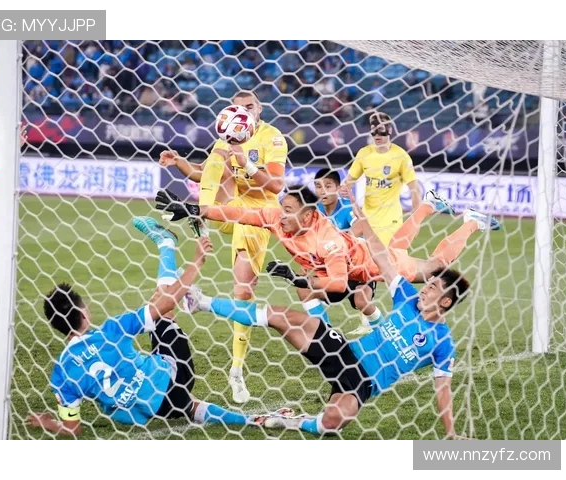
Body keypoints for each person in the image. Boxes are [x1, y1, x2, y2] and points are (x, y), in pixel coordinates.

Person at [180, 197, 478, 439]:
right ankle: (201, 301)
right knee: (281, 316)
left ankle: (289, 420)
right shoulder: (406, 297)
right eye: (428, 284)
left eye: (432, 288)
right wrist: (364, 224)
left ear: (446, 301)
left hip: (362, 383)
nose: (425, 288)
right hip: (344, 353)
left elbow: (443, 388)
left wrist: (451, 433)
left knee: (331, 424)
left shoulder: (442, 342)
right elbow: (383, 259)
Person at [26, 216, 276, 436]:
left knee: (185, 404)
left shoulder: (62, 371)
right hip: (175, 376)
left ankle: (249, 420)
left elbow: (72, 429)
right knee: (162, 307)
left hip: (155, 409)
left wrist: (47, 422)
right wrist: (196, 263)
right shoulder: (111, 331)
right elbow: (165, 303)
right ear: (83, 313)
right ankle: (166, 243)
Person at [155, 184, 498, 334]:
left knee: (434, 267)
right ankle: (429, 204)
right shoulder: (278, 218)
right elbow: (238, 212)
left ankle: (470, 222)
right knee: (398, 244)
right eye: (282, 208)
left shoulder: (327, 240)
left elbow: (337, 283)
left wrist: (297, 278)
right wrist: (193, 208)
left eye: (289, 210)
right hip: (357, 261)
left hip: (372, 267)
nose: (281, 215)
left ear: (307, 215)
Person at [159, 91, 288, 403]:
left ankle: (236, 370)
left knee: (242, 292)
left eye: (249, 107)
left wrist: (246, 162)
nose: (243, 112)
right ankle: (200, 215)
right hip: (227, 207)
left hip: (257, 214)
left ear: (259, 109)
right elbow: (204, 173)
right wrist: (178, 163)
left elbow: (275, 186)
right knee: (221, 154)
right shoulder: (227, 137)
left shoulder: (273, 138)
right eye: (237, 108)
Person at [340, 111, 422, 246]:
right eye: (373, 131)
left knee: (385, 257)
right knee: (349, 250)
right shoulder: (364, 153)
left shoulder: (401, 156)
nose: (377, 135)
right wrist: (344, 187)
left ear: (389, 130)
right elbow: (348, 181)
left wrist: (415, 220)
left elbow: (415, 190)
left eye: (381, 130)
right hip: (366, 219)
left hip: (389, 222)